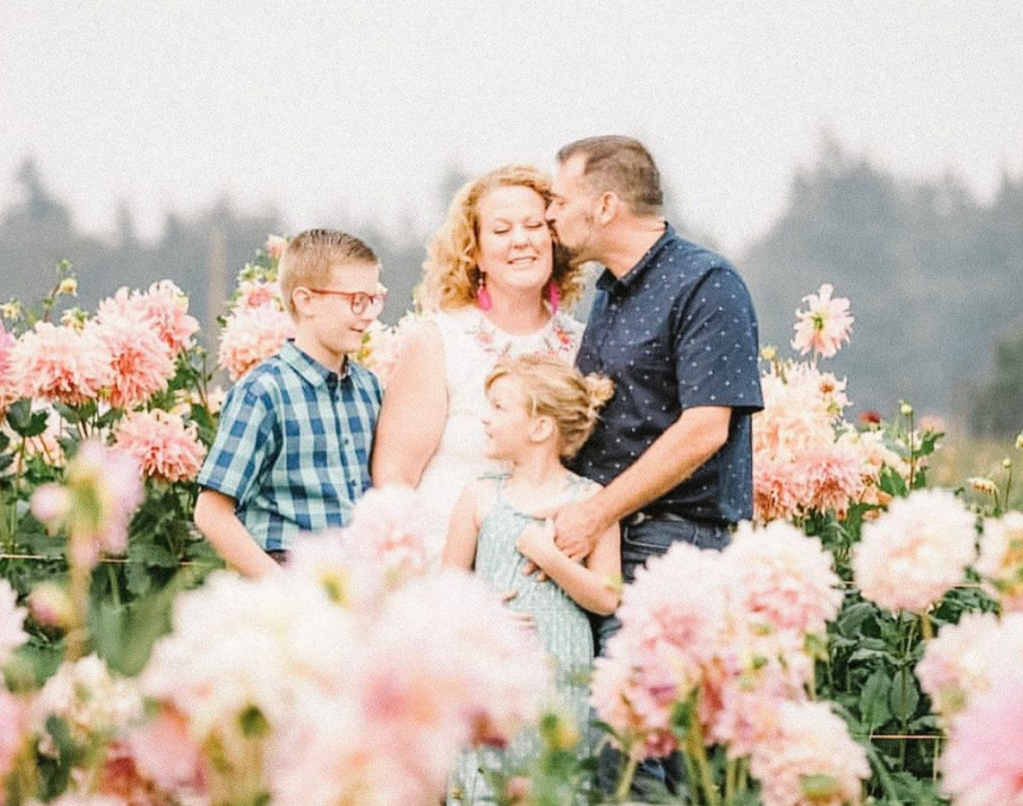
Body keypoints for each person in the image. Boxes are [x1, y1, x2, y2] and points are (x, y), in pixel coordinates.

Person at [545, 136, 765, 794]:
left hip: (674, 545)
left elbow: (704, 430)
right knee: (623, 753)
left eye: (559, 200)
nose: (550, 215)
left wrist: (595, 513)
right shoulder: (611, 294)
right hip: (613, 545)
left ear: (604, 205)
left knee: (630, 750)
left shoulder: (706, 284)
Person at [372, 165, 589, 564]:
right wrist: (418, 576)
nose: (521, 240)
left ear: (554, 238)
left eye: (534, 226)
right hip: (444, 568)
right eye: (501, 231)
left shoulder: (583, 345)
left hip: (549, 572)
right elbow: (395, 478)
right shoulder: (438, 340)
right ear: (475, 253)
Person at [443, 354, 620, 805]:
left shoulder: (590, 502)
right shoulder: (480, 496)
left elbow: (606, 597)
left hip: (562, 684)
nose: (485, 417)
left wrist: (548, 556)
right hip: (492, 678)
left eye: (499, 407)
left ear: (540, 427)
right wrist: (483, 616)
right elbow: (444, 594)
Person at [194, 229, 386, 578]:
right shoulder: (263, 392)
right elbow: (211, 513)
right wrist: (282, 588)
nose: (369, 314)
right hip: (289, 570)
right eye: (357, 300)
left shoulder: (369, 389)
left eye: (374, 299)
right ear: (305, 301)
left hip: (358, 578)